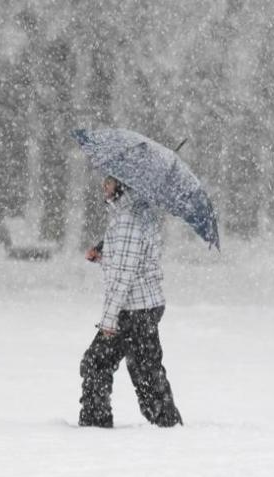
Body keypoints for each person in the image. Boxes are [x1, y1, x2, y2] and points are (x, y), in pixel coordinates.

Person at [78, 176, 183, 428]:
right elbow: (134, 263)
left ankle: (95, 424)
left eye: (110, 182)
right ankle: (166, 421)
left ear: (123, 185)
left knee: (97, 362)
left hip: (134, 307)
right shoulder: (139, 213)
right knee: (145, 369)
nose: (104, 186)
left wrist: (109, 320)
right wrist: (103, 256)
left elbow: (124, 275)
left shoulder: (128, 219)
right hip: (145, 304)